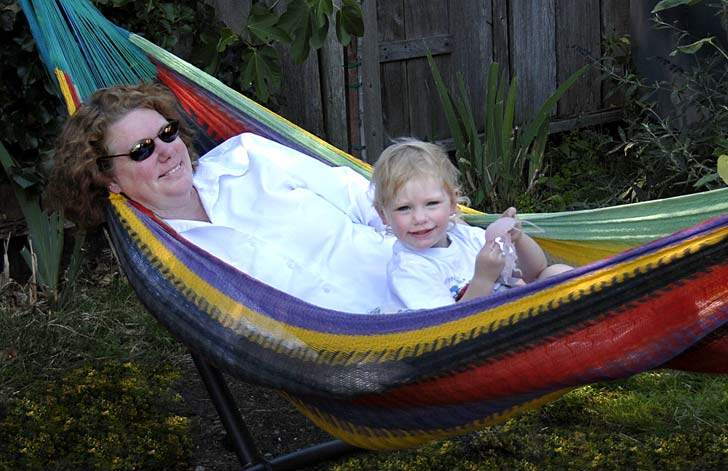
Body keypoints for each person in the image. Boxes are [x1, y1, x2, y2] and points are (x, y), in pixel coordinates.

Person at [49, 82, 396, 313]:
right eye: (142, 150)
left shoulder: (249, 156)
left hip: (412, 270)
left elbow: (356, 194)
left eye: (167, 133)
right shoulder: (169, 259)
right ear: (109, 179)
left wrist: (420, 243)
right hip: (355, 357)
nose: (167, 151)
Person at [371, 138, 571, 310]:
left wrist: (518, 239)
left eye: (431, 204)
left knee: (557, 273)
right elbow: (447, 326)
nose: (420, 218)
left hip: (516, 313)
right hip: (479, 336)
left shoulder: (469, 238)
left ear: (453, 204)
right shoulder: (409, 269)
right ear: (383, 216)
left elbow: (534, 272)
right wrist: (483, 280)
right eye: (404, 208)